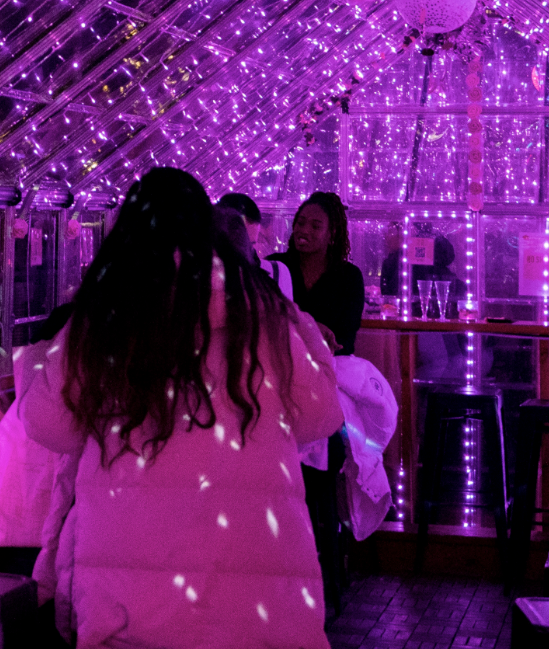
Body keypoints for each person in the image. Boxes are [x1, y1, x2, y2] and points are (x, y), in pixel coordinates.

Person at [23, 168, 342, 649]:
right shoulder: (263, 313)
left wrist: (39, 358)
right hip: (256, 593)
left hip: (132, 598)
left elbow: (47, 422)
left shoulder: (105, 318)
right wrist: (304, 330)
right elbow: (321, 414)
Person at [278, 192, 365, 614]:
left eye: (315, 225)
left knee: (320, 482)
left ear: (332, 235)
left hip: (326, 386)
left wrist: (301, 327)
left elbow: (343, 335)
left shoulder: (347, 277)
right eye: (300, 222)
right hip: (280, 381)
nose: (304, 231)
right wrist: (314, 329)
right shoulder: (275, 268)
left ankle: (327, 580)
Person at [215, 193, 293, 301]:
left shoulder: (277, 272)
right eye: (239, 243)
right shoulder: (205, 277)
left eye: (251, 244)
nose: (245, 252)